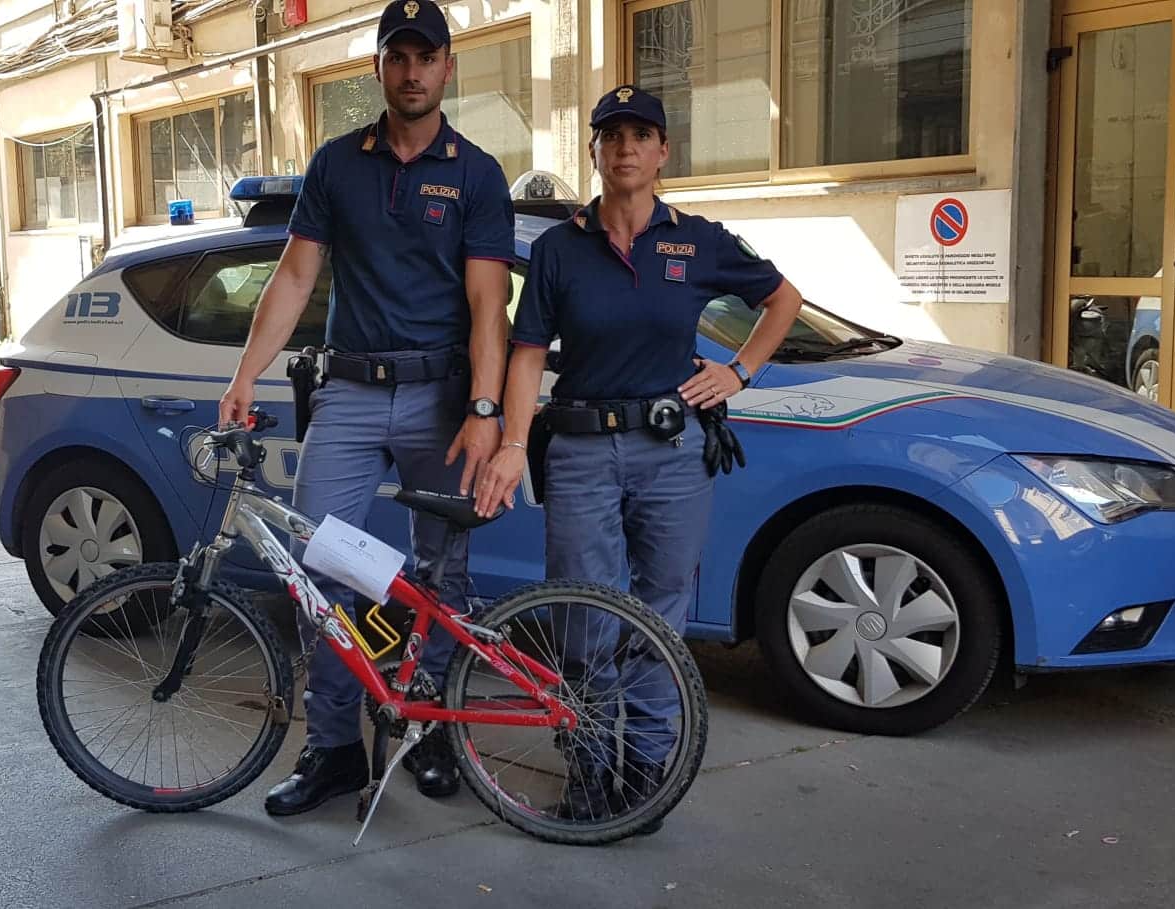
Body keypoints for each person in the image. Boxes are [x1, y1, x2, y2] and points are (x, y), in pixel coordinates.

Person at [475, 85, 803, 832]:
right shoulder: (560, 249)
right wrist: (511, 441)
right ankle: (589, 762)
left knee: (660, 613)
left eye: (639, 134)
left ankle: (646, 769)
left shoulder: (698, 239)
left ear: (662, 152)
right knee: (583, 614)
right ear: (592, 151)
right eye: (610, 134)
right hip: (584, 451)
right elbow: (526, 356)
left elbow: (782, 301)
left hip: (671, 452)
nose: (624, 146)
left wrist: (739, 371)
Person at [219, 0, 515, 816]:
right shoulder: (337, 163)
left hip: (441, 396)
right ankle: (335, 748)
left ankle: (432, 732)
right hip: (347, 392)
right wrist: (247, 374)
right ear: (379, 67)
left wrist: (485, 407)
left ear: (448, 67)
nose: (412, 71)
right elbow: (293, 276)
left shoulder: (476, 172)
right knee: (320, 567)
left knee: (442, 576)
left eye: (426, 57)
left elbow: (489, 303)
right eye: (398, 57)